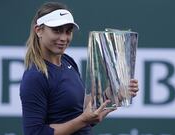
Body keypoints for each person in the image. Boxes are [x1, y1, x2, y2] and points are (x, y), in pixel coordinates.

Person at [19, 1, 139, 135]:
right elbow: (35, 132)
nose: (64, 38)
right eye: (56, 31)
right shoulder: (35, 76)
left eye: (68, 31)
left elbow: (86, 114)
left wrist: (116, 94)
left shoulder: (67, 61)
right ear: (39, 30)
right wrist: (83, 120)